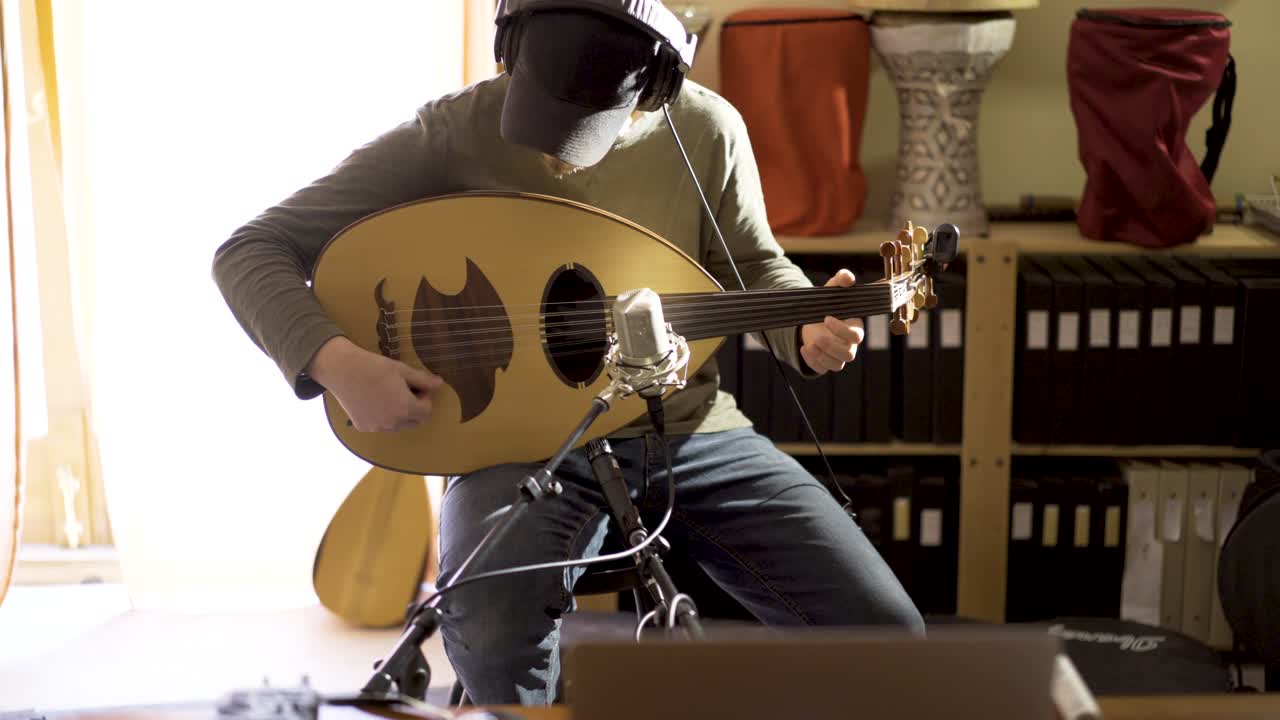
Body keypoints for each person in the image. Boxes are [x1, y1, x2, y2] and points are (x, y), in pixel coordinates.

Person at [212, 2, 924, 707]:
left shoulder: (708, 130)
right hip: (518, 446)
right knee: (490, 632)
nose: (556, 151)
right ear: (510, 49)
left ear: (655, 83)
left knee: (888, 637)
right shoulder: (454, 131)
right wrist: (339, 364)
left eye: (587, 123)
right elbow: (251, 250)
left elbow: (753, 264)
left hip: (690, 431)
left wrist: (803, 326)